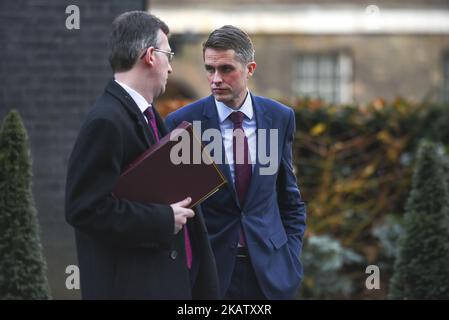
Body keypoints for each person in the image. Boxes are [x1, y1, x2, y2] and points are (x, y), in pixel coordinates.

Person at [65, 11, 219, 299]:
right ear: (150, 55)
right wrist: (162, 219)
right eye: (168, 55)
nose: (170, 68)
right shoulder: (106, 121)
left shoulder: (147, 115)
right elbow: (83, 208)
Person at [165, 25, 307, 300]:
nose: (216, 78)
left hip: (270, 272)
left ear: (249, 68)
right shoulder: (182, 124)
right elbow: (176, 205)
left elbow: (289, 197)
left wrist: (290, 257)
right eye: (209, 69)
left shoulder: (279, 118)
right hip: (210, 274)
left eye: (226, 69)